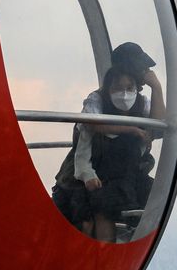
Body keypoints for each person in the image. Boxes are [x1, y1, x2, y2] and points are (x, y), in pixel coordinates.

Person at [53, 45, 165, 240]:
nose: (145, 73)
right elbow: (93, 125)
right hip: (93, 166)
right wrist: (132, 128)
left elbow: (158, 129)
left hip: (123, 171)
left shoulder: (141, 102)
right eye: (141, 69)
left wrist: (157, 89)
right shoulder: (98, 99)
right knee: (93, 213)